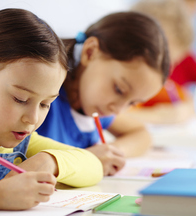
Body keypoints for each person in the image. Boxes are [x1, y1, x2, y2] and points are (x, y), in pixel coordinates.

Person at [0, 8, 103, 212]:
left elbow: (93, 165)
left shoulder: (22, 144)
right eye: (20, 99)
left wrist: (49, 161)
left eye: (44, 104)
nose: (33, 119)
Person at [36, 12, 170, 176]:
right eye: (119, 89)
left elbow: (141, 134)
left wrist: (111, 152)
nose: (118, 109)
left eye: (132, 103)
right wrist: (87, 159)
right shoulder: (40, 96)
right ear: (90, 52)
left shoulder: (94, 103)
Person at [127, 0, 196, 124]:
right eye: (165, 62)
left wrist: (183, 111)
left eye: (172, 63)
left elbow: (189, 98)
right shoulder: (123, 81)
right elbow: (111, 117)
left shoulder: (163, 86)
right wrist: (161, 116)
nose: (168, 71)